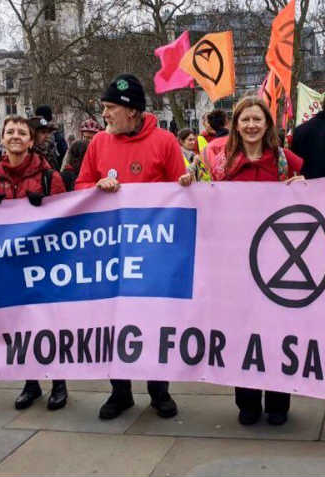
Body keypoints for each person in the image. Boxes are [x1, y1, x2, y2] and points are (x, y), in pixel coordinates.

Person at [180, 96, 304, 426]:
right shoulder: (218, 163)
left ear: (267, 125)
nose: (251, 125)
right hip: (234, 265)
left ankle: (278, 402)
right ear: (236, 124)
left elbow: (310, 196)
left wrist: (303, 187)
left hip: (277, 263)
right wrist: (189, 186)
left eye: (257, 119)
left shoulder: (283, 161)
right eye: (244, 119)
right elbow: (198, 194)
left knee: (277, 333)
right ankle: (247, 401)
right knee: (241, 334)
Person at [75, 73, 183, 420]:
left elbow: (181, 198)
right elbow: (80, 185)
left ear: (132, 111)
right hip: (109, 254)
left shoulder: (165, 142)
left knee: (153, 320)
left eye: (109, 108)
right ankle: (120, 392)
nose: (104, 114)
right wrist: (96, 187)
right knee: (113, 322)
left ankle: (159, 391)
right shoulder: (98, 144)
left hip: (152, 255)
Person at [0, 115, 67, 410]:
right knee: (18, 326)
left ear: (31, 140)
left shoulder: (48, 176)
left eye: (21, 132)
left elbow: (66, 223)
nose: (15, 136)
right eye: (9, 131)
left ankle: (58, 381)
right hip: (10, 266)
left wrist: (47, 209)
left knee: (48, 324)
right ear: (2, 138)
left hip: (43, 266)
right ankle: (30, 383)